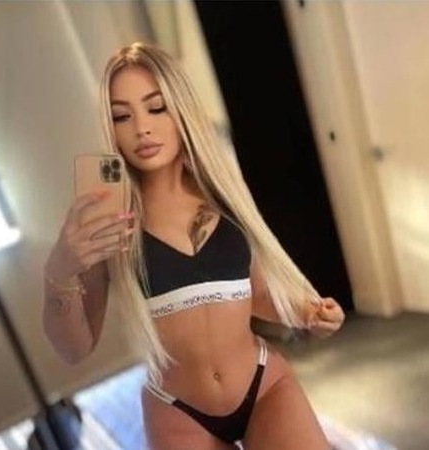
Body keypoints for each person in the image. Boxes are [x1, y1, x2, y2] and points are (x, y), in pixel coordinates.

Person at [43, 41, 345, 450]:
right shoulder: (111, 223)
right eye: (122, 116)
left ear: (179, 108)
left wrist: (307, 312)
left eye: (156, 107)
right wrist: (59, 271)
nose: (141, 128)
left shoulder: (222, 195)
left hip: (264, 387)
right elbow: (74, 349)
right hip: (177, 410)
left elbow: (254, 294)